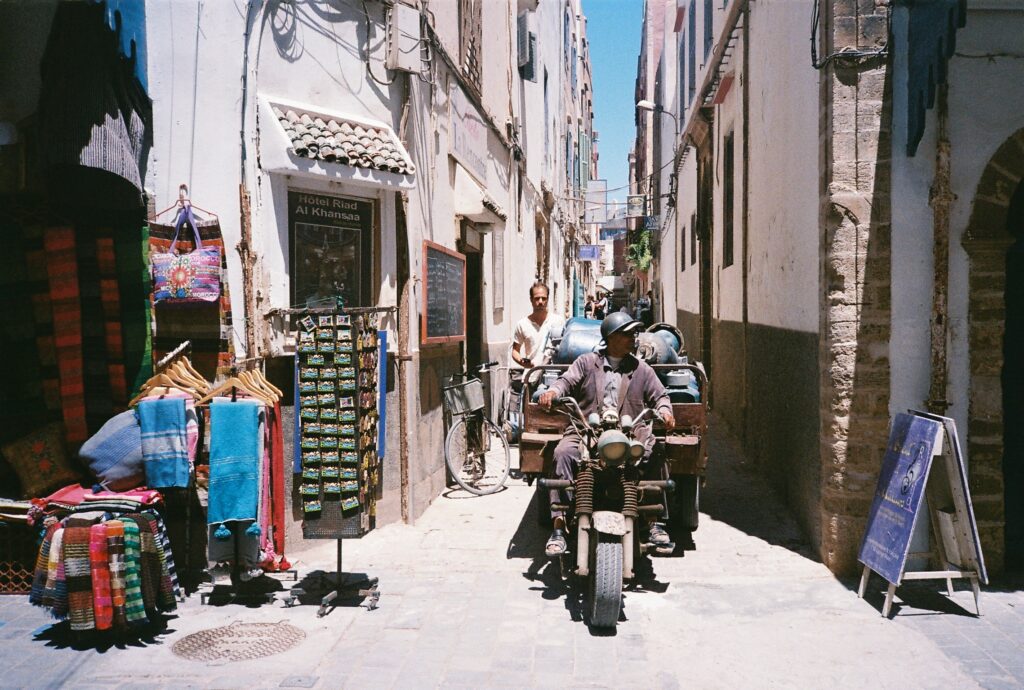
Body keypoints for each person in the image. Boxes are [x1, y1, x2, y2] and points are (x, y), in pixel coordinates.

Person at [538, 312, 675, 556]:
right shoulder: (586, 362)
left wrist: (665, 411)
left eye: (635, 333)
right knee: (563, 452)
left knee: (656, 451)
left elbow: (660, 396)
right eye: (628, 333)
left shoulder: (642, 369)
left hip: (630, 433)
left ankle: (655, 522)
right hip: (587, 432)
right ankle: (559, 526)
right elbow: (564, 382)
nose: (634, 338)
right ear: (611, 337)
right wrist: (552, 392)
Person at [512, 283, 564, 371]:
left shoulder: (558, 321)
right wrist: (522, 362)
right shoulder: (522, 324)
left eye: (543, 298)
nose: (540, 302)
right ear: (531, 300)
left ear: (547, 299)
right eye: (537, 298)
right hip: (531, 376)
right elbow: (515, 351)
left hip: (553, 375)